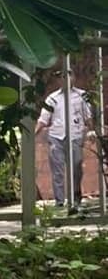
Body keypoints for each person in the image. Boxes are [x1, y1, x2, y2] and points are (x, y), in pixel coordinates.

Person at [36, 70, 93, 212]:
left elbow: (88, 116)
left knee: (77, 166)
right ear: (58, 80)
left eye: (68, 75)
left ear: (74, 77)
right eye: (61, 77)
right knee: (57, 171)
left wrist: (91, 130)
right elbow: (44, 119)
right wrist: (33, 134)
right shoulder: (52, 98)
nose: (65, 79)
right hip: (56, 136)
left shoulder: (82, 95)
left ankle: (76, 198)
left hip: (75, 135)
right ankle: (60, 202)